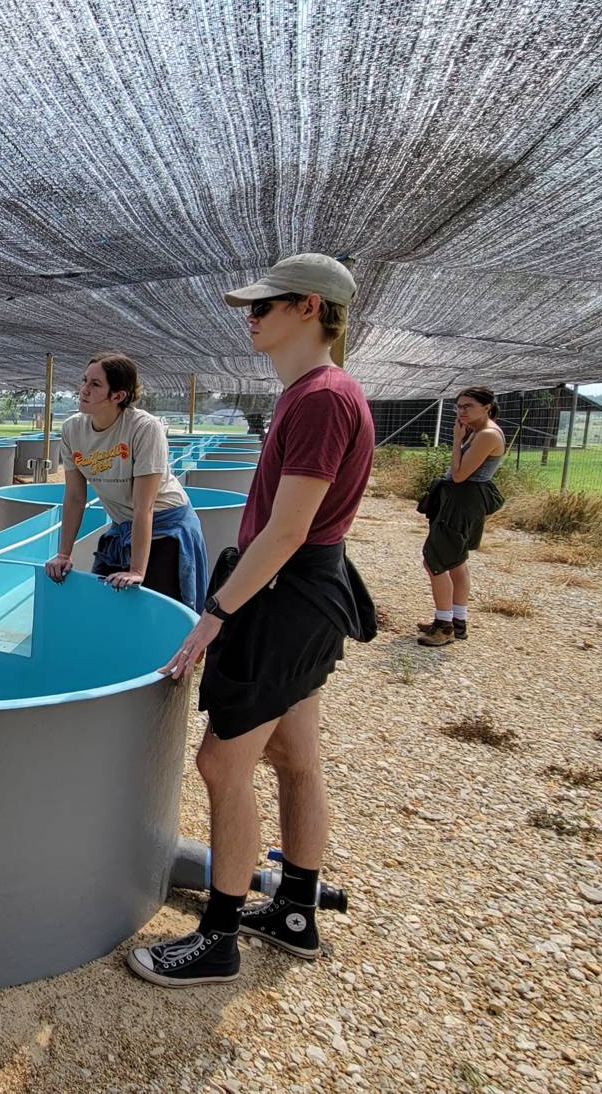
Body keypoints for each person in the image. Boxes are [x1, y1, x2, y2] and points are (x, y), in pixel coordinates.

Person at [128, 254, 377, 987]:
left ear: (309, 308)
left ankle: (219, 936)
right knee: (297, 759)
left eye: (264, 306)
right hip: (306, 592)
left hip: (284, 596)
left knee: (221, 764)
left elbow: (290, 527)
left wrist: (216, 611)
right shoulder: (317, 393)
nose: (251, 316)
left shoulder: (322, 399)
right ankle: (295, 910)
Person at [44, 352, 209, 610]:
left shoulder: (144, 428)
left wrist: (136, 571)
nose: (84, 390)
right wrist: (64, 554)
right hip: (123, 527)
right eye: (84, 381)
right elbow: (75, 497)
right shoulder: (72, 429)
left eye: (95, 385)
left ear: (118, 396)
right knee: (104, 604)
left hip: (165, 524)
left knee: (156, 608)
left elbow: (145, 506)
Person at [416, 386, 506, 646]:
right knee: (455, 561)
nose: (461, 411)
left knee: (435, 561)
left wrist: (456, 441)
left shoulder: (487, 434)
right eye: (458, 406)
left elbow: (458, 475)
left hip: (463, 500)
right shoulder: (477, 432)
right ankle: (457, 622)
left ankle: (444, 627)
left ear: (486, 407)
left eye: (468, 406)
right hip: (458, 500)